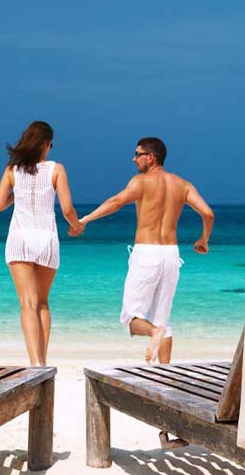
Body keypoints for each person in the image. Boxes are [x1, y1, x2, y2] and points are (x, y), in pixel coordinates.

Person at [77, 137, 213, 364]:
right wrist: (204, 239)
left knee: (130, 318)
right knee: (164, 321)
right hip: (171, 256)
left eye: (137, 154)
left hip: (147, 253)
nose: (134, 159)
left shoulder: (141, 182)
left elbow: (116, 202)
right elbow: (208, 214)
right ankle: (166, 374)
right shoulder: (183, 185)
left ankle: (153, 332)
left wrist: (85, 220)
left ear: (151, 157)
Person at [0, 121, 83, 366]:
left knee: (27, 303)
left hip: (19, 239)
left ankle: (35, 364)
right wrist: (76, 226)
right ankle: (42, 361)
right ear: (46, 144)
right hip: (46, 239)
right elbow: (67, 209)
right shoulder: (57, 169)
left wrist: (18, 194)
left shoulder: (12, 170)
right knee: (42, 303)